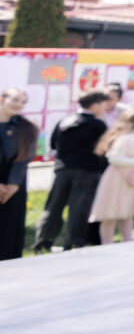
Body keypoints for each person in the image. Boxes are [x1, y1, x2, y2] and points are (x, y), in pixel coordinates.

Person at [34, 90, 112, 252]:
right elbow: (104, 148)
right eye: (103, 104)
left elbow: (54, 144)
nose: (105, 108)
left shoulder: (64, 120)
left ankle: (43, 241)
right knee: (79, 207)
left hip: (63, 169)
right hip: (87, 170)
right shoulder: (98, 124)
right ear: (95, 105)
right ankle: (73, 243)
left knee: (54, 205)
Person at [88, 108, 134, 243]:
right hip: (117, 178)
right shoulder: (124, 139)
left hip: (130, 178)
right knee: (110, 213)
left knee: (126, 212)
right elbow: (114, 159)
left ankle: (127, 241)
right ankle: (107, 243)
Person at [0, 88, 38, 261]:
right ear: (2, 99)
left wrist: (13, 184)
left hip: (13, 182)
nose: (19, 105)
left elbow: (25, 156)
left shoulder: (27, 127)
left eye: (23, 102)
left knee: (10, 225)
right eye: (15, 100)